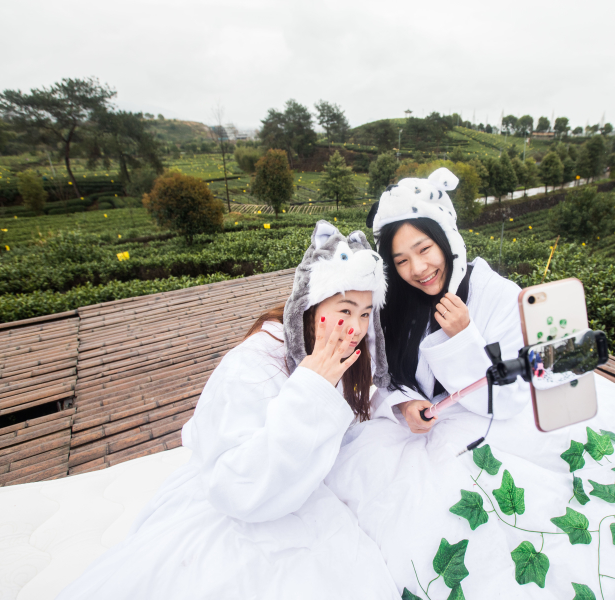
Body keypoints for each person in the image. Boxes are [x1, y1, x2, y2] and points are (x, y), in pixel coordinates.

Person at [56, 221, 399, 600]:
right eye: (345, 310)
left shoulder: (337, 353)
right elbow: (238, 484)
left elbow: (351, 411)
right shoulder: (253, 363)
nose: (354, 327)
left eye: (366, 313)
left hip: (298, 489)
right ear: (313, 303)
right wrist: (309, 390)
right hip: (242, 498)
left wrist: (398, 404)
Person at [366, 167, 532, 432]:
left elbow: (510, 398)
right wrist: (405, 404)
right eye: (402, 261)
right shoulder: (395, 303)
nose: (418, 268)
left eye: (425, 249)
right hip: (412, 436)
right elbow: (386, 374)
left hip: (485, 434)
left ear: (449, 241)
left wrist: (463, 337)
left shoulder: (500, 296)